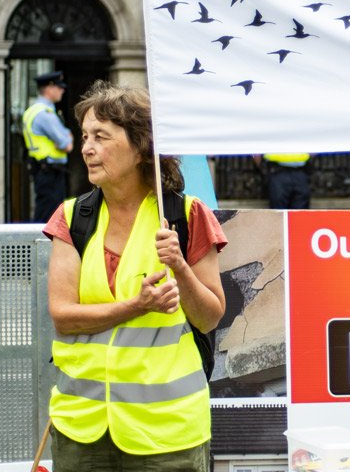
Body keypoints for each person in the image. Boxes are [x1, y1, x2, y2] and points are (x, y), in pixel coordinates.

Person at [43, 81, 226, 472]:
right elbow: (62, 315)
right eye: (85, 137)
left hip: (167, 435)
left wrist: (180, 267)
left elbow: (210, 317)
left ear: (141, 146)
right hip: (82, 430)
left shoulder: (188, 216)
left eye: (101, 137)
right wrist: (135, 306)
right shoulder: (72, 217)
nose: (87, 148)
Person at [23, 71, 74, 222]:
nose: (62, 90)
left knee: (46, 213)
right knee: (49, 216)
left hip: (44, 170)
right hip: (50, 171)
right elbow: (67, 144)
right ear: (49, 89)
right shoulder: (45, 114)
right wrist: (66, 140)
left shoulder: (33, 110)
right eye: (59, 87)